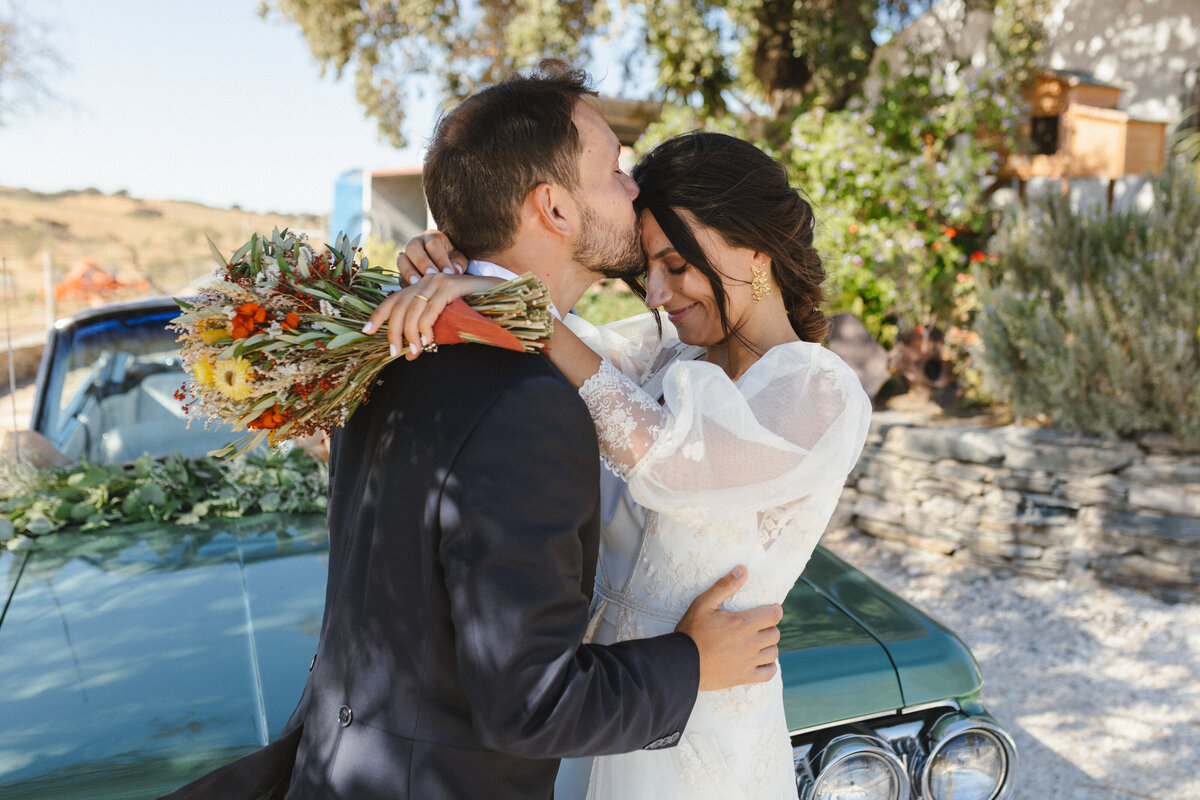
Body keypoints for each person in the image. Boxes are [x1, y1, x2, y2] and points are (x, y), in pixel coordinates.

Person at [160, 62, 783, 800]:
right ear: (552, 208)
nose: (635, 187)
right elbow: (530, 702)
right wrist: (692, 663)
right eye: (614, 169)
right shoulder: (527, 401)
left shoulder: (389, 351)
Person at [372, 130, 872, 798]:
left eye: (676, 264)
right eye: (649, 274)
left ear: (755, 250)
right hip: (607, 703)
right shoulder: (670, 359)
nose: (659, 295)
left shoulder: (819, 390)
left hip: (702, 734)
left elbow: (674, 470)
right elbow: (561, 345)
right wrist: (459, 266)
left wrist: (529, 316)